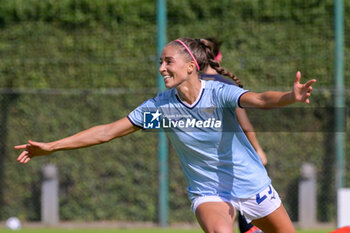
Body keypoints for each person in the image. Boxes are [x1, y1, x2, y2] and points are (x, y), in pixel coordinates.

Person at [15, 38, 316, 233]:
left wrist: (290, 96)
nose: (161, 68)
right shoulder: (160, 108)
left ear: (190, 66)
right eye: (160, 61)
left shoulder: (219, 93)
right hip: (209, 192)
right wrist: (52, 147)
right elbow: (107, 131)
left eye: (167, 61)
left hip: (252, 186)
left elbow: (262, 100)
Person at [202, 38, 266, 233]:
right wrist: (258, 150)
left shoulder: (188, 88)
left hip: (205, 162)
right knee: (246, 204)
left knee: (219, 211)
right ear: (218, 58)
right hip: (233, 157)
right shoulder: (225, 86)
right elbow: (245, 124)